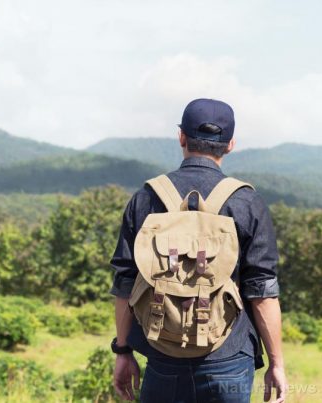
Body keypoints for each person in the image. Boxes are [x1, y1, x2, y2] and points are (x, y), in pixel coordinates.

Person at [109, 98, 287, 403]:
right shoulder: (246, 202)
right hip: (229, 357)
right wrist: (277, 364)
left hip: (162, 354)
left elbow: (125, 282)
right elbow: (262, 291)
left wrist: (123, 351)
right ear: (230, 145)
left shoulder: (146, 198)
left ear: (181, 137)